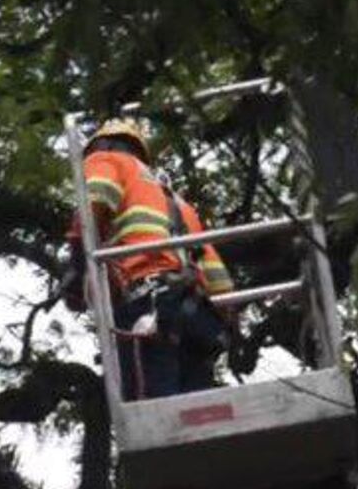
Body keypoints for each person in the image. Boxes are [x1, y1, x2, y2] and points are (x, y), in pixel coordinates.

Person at [63, 118, 237, 401]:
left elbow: (92, 205)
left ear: (103, 145)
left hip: (150, 306)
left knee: (153, 412)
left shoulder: (106, 159)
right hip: (200, 317)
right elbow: (218, 276)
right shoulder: (178, 204)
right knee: (198, 414)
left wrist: (76, 268)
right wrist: (230, 325)